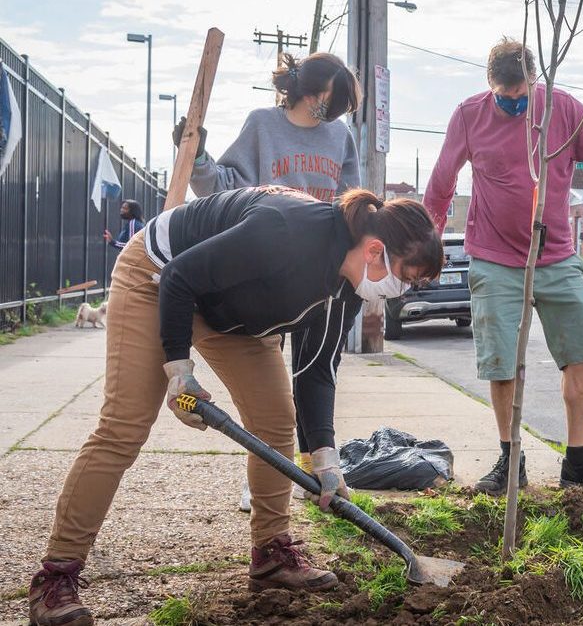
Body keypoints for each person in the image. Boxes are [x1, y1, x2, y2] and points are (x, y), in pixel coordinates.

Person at [26, 186, 443, 626]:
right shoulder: (287, 231)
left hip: (232, 310)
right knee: (123, 427)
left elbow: (317, 369)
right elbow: (180, 279)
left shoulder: (349, 287)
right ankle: (56, 576)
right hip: (160, 276)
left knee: (275, 422)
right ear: (376, 250)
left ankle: (271, 553)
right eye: (406, 277)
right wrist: (178, 371)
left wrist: (325, 457)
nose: (403, 290)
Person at [423, 37, 583, 495]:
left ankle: (579, 461)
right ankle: (510, 459)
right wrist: (431, 238)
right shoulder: (469, 114)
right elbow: (442, 182)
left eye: (521, 96)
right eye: (504, 98)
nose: (513, 105)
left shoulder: (561, 108)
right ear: (490, 86)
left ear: (535, 81)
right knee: (502, 362)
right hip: (495, 256)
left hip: (557, 255)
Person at [174, 51, 361, 510]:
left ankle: (316, 467)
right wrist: (196, 154)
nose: (336, 113)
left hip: (320, 277)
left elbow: (354, 202)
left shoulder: (341, 136)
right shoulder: (262, 125)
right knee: (268, 390)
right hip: (266, 273)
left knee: (316, 370)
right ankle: (263, 476)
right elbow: (221, 187)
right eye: (334, 102)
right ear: (315, 93)